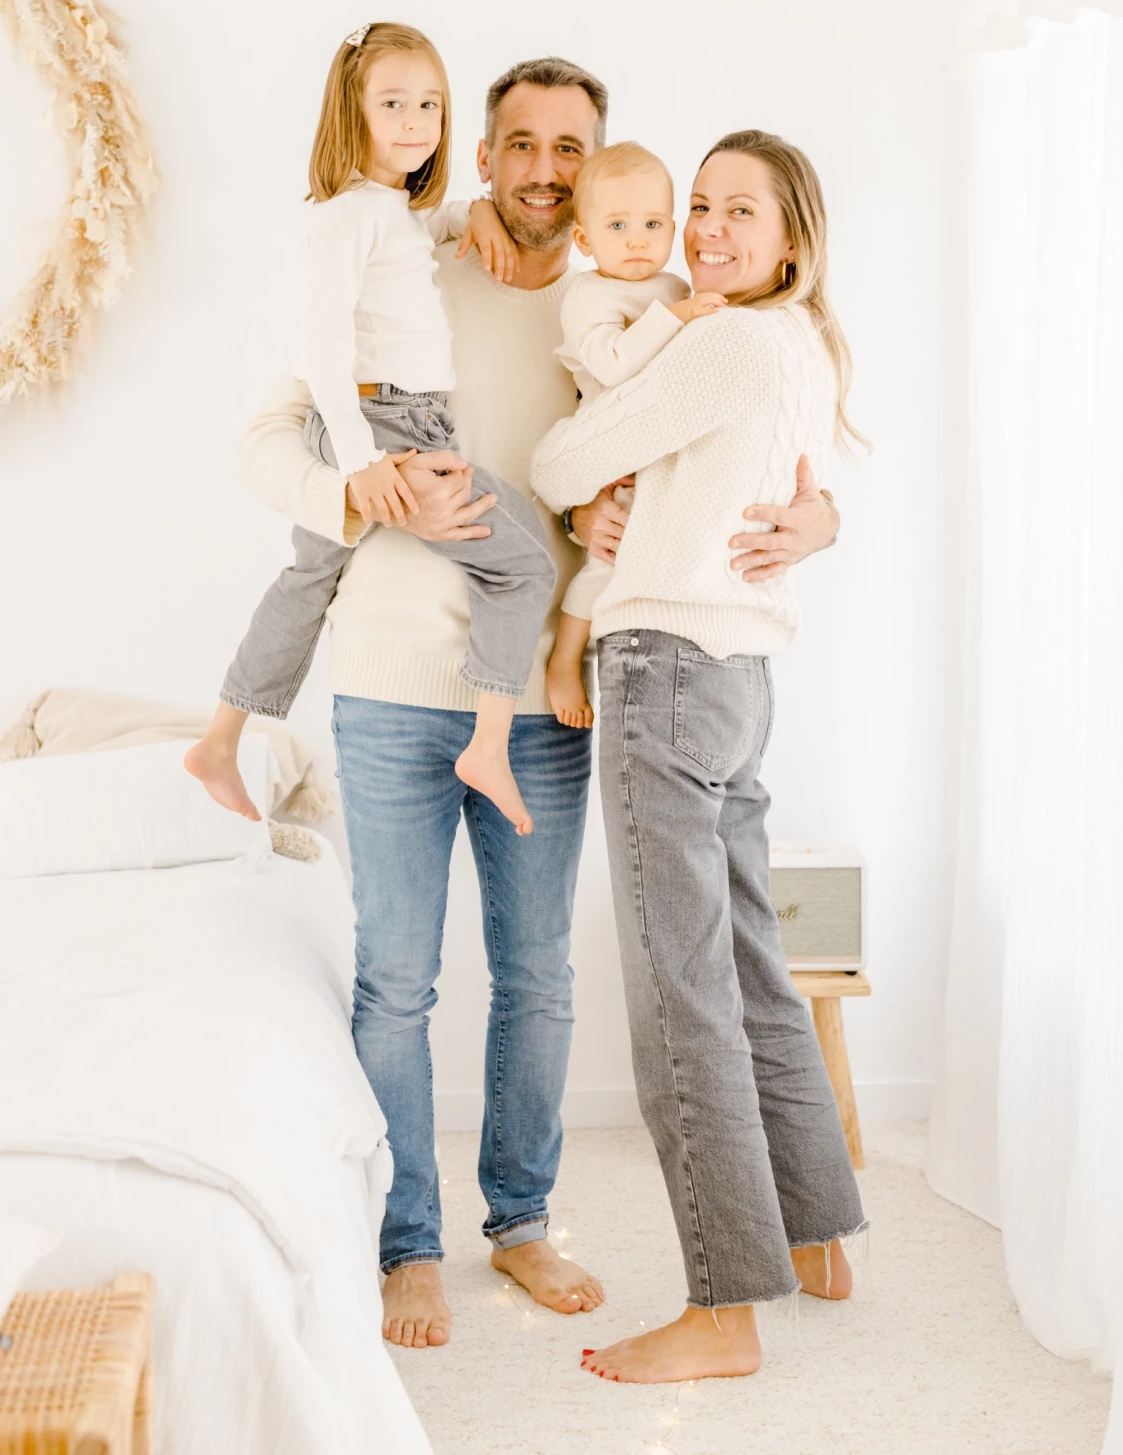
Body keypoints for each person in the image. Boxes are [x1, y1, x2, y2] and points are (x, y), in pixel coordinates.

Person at [235, 68, 842, 1352]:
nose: (547, 168)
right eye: (522, 142)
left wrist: (813, 515)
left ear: (603, 166)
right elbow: (266, 439)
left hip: (551, 695)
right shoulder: (408, 268)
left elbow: (749, 432)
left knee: (540, 976)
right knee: (397, 981)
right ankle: (409, 1246)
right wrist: (360, 497)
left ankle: (519, 1224)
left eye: (574, 148)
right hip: (398, 686)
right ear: (486, 151)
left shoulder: (637, 305)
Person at [531, 128, 866, 1386]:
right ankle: (822, 1238)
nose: (710, 232)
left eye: (741, 213)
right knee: (751, 969)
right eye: (703, 208)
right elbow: (800, 499)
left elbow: (563, 458)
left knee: (682, 995)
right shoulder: (800, 347)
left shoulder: (717, 338)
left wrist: (591, 493)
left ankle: (723, 1311)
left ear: (791, 239)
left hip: (667, 666)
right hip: (739, 681)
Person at [185, 22, 554, 834]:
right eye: (393, 104)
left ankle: (221, 737)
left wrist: (474, 217)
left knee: (306, 581)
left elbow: (423, 233)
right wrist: (359, 467)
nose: (416, 121)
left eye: (429, 103)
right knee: (523, 566)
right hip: (386, 424)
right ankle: (489, 743)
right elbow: (321, 346)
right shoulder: (348, 214)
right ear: (351, 113)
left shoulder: (389, 211)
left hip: (399, 418)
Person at [543, 140, 727, 728]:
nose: (637, 240)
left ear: (673, 227)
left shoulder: (675, 288)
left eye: (652, 224)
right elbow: (614, 363)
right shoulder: (589, 293)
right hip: (614, 456)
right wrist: (676, 318)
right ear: (583, 238)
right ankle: (566, 659)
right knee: (603, 567)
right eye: (617, 225)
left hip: (665, 456)